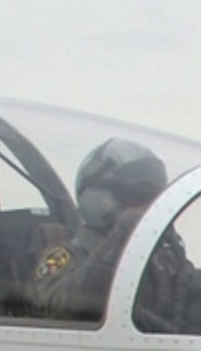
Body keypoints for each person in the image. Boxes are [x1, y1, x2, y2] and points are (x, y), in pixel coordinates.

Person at [35, 137, 190, 327]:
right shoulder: (68, 255)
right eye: (138, 196)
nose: (149, 207)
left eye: (154, 198)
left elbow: (194, 294)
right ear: (100, 199)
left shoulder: (162, 257)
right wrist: (120, 240)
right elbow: (56, 307)